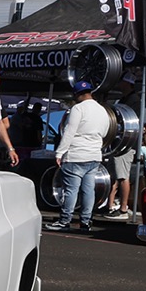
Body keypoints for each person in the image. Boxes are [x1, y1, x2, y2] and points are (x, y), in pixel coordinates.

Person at [46, 81, 110, 233]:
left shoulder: (78, 108)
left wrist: (59, 153)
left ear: (77, 94)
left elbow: (69, 131)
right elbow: (105, 132)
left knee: (71, 190)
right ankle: (85, 221)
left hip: (76, 154)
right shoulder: (102, 110)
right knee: (89, 190)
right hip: (94, 155)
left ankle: (65, 220)